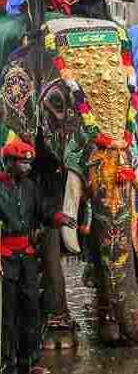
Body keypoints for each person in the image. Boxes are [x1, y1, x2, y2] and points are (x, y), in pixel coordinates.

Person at [0, 138, 76, 374]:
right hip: (5, 257)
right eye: (23, 163)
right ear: (9, 162)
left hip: (27, 257)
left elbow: (43, 211)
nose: (28, 167)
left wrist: (58, 217)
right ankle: (7, 363)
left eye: (29, 163)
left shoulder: (30, 187)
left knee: (31, 309)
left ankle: (29, 361)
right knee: (8, 313)